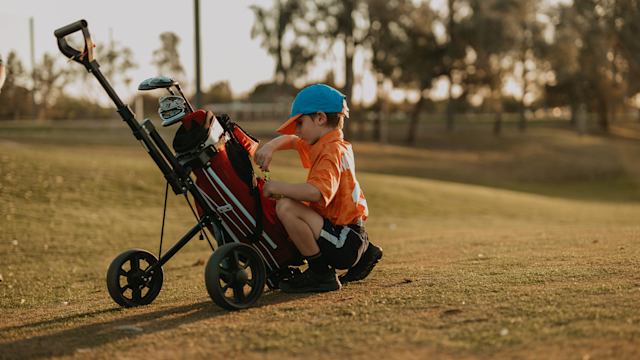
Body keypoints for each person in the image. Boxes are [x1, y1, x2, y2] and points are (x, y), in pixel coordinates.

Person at [254, 83, 383, 293]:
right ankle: (366, 251)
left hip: (344, 240)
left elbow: (317, 193)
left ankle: (321, 274)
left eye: (300, 122)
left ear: (320, 118)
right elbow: (294, 141)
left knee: (287, 207)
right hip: (350, 232)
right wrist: (271, 146)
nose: (296, 130)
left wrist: (278, 187)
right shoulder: (328, 143)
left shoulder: (330, 152)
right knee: (289, 205)